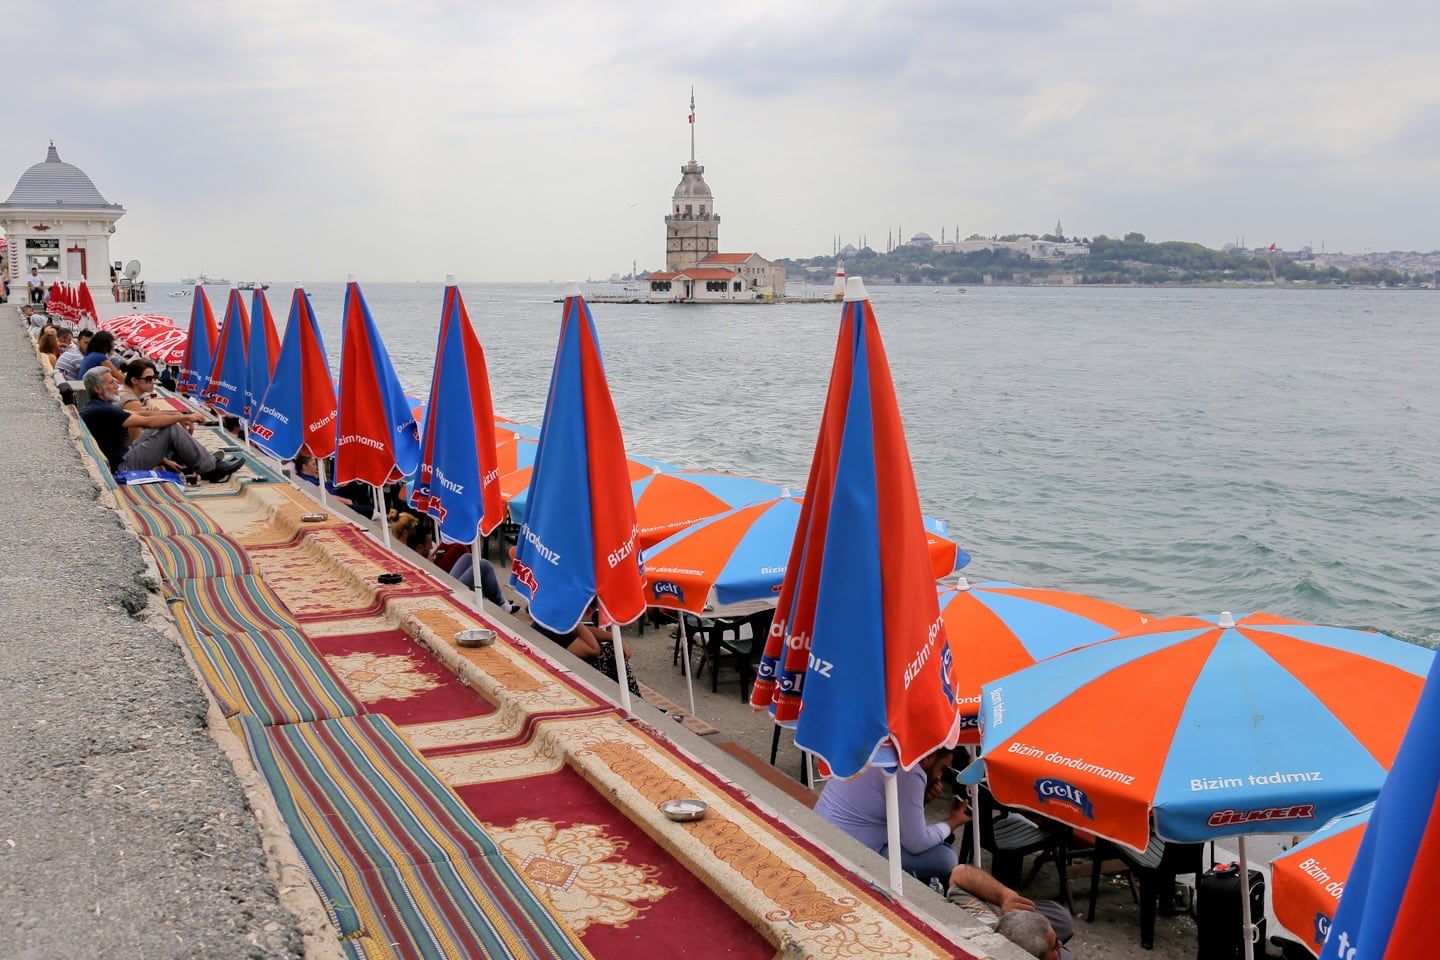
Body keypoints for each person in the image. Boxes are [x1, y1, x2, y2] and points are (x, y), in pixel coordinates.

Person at [813, 747, 969, 885]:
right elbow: (916, 842)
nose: (940, 777)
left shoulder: (880, 742)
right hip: (850, 851)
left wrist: (921, 801)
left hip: (820, 829)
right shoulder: (911, 770)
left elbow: (892, 813)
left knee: (938, 841)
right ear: (929, 757)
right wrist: (952, 821)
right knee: (946, 857)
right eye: (942, 769)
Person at [79, 368, 243, 481]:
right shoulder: (102, 410)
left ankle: (200, 460)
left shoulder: (97, 407)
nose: (116, 385)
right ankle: (210, 469)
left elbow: (142, 414)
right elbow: (149, 422)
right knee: (170, 428)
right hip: (123, 466)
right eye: (111, 383)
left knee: (168, 424)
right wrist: (181, 418)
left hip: (122, 457)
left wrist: (179, 416)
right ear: (99, 389)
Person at [946, 864, 1073, 960]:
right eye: (1054, 946)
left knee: (1063, 918)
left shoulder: (985, 921)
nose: (1060, 945)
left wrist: (1004, 897)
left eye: (1056, 942)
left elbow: (960, 873)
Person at [450, 551, 522, 614]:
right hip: (450, 597)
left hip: (445, 586)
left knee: (468, 557)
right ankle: (501, 604)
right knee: (484, 565)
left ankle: (500, 600)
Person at [114, 358, 163, 444]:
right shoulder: (132, 402)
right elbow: (136, 440)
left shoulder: (122, 392)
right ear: (134, 380)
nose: (153, 382)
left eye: (154, 377)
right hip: (126, 452)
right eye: (148, 379)